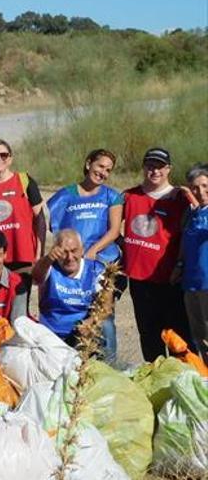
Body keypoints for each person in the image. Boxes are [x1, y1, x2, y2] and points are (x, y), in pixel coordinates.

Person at [46, 149, 122, 361]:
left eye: (108, 170)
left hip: (101, 263)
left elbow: (114, 230)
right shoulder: (64, 195)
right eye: (100, 166)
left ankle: (109, 364)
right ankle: (70, 361)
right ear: (89, 164)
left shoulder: (113, 196)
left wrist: (92, 251)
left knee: (103, 316)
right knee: (71, 309)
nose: (103, 172)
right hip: (71, 265)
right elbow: (56, 229)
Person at [123, 148, 191, 361]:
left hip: (170, 279)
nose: (155, 171)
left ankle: (186, 379)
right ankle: (155, 383)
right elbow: (111, 227)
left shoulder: (181, 198)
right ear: (144, 167)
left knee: (179, 336)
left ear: (168, 169)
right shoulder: (129, 196)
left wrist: (180, 265)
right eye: (150, 166)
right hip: (139, 280)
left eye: (160, 166)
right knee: (149, 335)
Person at [0, 139, 45, 298]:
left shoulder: (24, 181)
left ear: (10, 158)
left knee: (19, 306)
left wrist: (39, 255)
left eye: (3, 155)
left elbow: (40, 219)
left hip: (21, 255)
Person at [32, 230, 107, 352]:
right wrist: (48, 258)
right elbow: (36, 276)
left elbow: (106, 305)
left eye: (74, 251)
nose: (69, 258)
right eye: (64, 252)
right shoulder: (49, 267)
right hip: (51, 332)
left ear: (82, 250)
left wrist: (91, 321)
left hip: (82, 330)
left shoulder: (96, 270)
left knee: (106, 326)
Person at [178, 163, 208, 361]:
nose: (200, 192)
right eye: (195, 188)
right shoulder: (190, 214)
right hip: (191, 282)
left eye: (205, 186)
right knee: (200, 338)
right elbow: (184, 240)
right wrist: (179, 265)